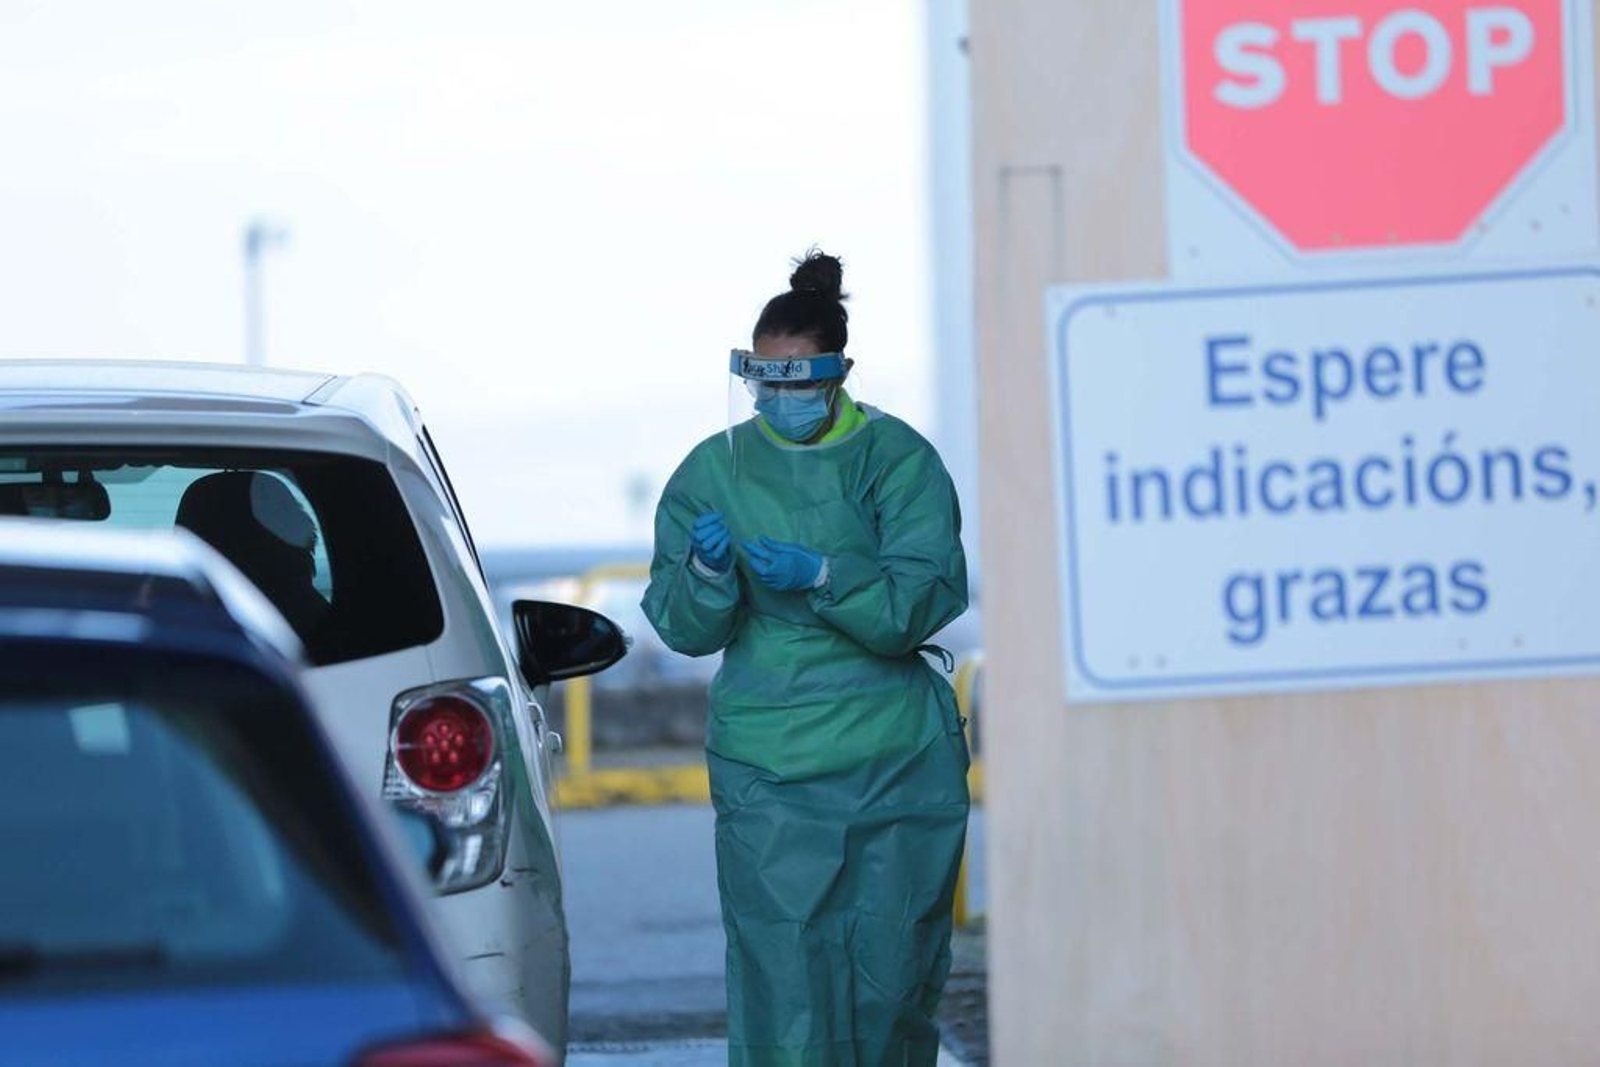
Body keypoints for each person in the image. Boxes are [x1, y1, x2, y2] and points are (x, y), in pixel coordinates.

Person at [642, 250, 970, 1066]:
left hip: (896, 759)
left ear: (839, 372)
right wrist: (710, 576)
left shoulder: (897, 461)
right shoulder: (714, 470)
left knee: (892, 973)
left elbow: (918, 600)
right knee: (782, 968)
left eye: (799, 379)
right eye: (766, 380)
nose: (781, 397)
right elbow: (683, 626)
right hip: (770, 764)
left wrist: (826, 574)